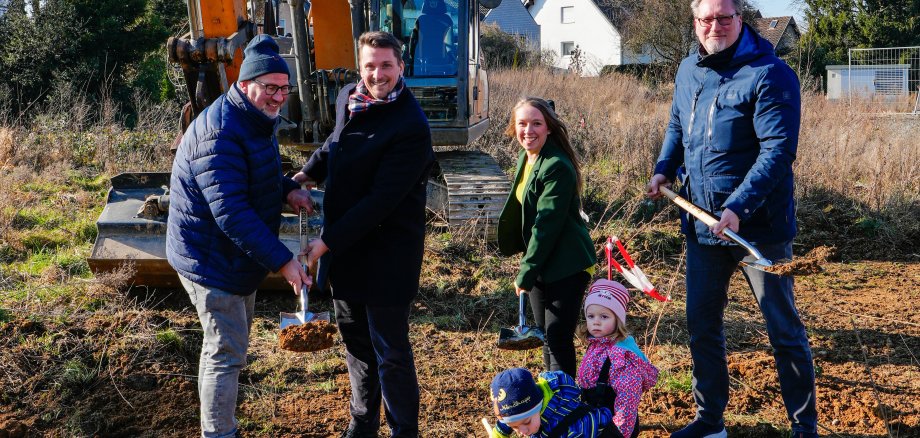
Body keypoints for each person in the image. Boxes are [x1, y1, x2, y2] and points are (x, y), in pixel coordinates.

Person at [645, 0, 817, 437]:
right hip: (702, 224)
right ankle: (710, 422)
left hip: (758, 229)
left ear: (741, 18)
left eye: (724, 17)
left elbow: (778, 151)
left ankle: (804, 428)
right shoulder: (688, 70)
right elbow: (677, 127)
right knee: (702, 326)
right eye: (705, 19)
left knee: (783, 330)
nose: (714, 26)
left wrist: (738, 207)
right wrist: (665, 165)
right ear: (694, 20)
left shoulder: (769, 74)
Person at [166, 34, 313, 438]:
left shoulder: (254, 118)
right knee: (225, 352)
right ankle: (218, 433)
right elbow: (231, 212)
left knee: (231, 344)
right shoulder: (221, 134)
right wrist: (283, 261)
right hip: (211, 260)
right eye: (270, 88)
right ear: (245, 84)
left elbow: (257, 175)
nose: (279, 97)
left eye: (284, 89)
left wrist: (288, 190)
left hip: (233, 256)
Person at [295, 31, 435, 438]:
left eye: (386, 65)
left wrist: (323, 244)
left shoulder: (410, 125)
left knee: (390, 352)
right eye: (370, 66)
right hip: (347, 251)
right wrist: (306, 173)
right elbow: (334, 144)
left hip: (387, 255)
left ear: (401, 67)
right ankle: (362, 425)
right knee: (356, 347)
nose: (378, 74)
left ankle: (403, 431)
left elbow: (380, 202)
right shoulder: (348, 98)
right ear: (360, 67)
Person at [497, 97, 596, 378]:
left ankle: (565, 405)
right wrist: (531, 264)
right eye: (522, 123)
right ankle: (552, 393)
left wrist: (526, 271)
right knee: (545, 336)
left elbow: (546, 224)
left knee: (557, 337)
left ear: (549, 128)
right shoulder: (528, 157)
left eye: (536, 123)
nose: (529, 130)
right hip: (541, 258)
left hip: (567, 263)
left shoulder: (556, 166)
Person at [576, 280, 659, 438]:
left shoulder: (621, 356)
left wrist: (616, 434)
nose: (596, 321)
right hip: (595, 422)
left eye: (604, 316)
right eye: (591, 315)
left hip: (614, 429)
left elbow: (627, 402)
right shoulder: (595, 345)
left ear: (618, 320)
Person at [487, 367, 613, 438]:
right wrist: (499, 434)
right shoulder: (526, 413)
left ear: (538, 406)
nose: (522, 432)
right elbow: (511, 417)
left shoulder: (572, 430)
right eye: (514, 427)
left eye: (526, 422)